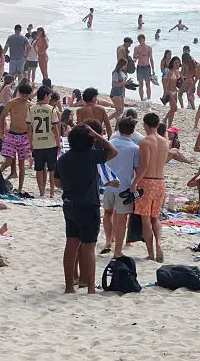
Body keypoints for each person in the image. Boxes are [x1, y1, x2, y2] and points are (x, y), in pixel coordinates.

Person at [55, 124, 117, 293]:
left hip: (70, 204)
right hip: (89, 205)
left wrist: (69, 188)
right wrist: (98, 135)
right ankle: (90, 287)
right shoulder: (91, 155)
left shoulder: (63, 159)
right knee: (89, 247)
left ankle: (69, 287)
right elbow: (113, 151)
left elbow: (56, 182)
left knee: (71, 245)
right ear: (89, 141)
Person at [132, 112, 169, 262]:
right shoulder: (165, 141)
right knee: (156, 217)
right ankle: (159, 243)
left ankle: (151, 252)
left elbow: (145, 166)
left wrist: (134, 182)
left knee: (145, 218)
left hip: (147, 181)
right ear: (158, 124)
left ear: (145, 125)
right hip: (160, 181)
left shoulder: (145, 142)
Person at [100, 117, 140, 257]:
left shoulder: (109, 143)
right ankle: (118, 250)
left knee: (107, 213)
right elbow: (137, 169)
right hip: (124, 186)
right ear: (132, 131)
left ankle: (108, 241)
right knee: (122, 218)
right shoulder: (135, 148)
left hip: (108, 184)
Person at [0, 82, 34, 192]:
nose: (24, 98)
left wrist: (31, 140)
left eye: (26, 96)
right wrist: (1, 132)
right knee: (8, 161)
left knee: (22, 164)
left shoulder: (30, 106)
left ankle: (20, 188)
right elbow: (2, 117)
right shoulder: (11, 103)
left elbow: (31, 125)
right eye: (22, 95)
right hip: (12, 134)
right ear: (19, 93)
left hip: (24, 136)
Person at [28, 85, 59, 198]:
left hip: (37, 143)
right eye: (49, 96)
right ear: (46, 96)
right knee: (52, 169)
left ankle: (41, 192)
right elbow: (55, 128)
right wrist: (58, 143)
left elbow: (29, 129)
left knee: (39, 169)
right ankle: (51, 192)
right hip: (50, 142)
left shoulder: (31, 109)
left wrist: (30, 142)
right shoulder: (51, 109)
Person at [133, 34, 154, 101]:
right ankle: (141, 99)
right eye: (139, 40)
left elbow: (151, 59)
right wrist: (141, 54)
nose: (140, 41)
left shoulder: (149, 48)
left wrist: (153, 69)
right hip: (139, 67)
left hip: (147, 67)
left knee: (148, 84)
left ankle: (148, 99)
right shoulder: (137, 47)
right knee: (141, 84)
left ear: (144, 39)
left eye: (141, 39)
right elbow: (134, 57)